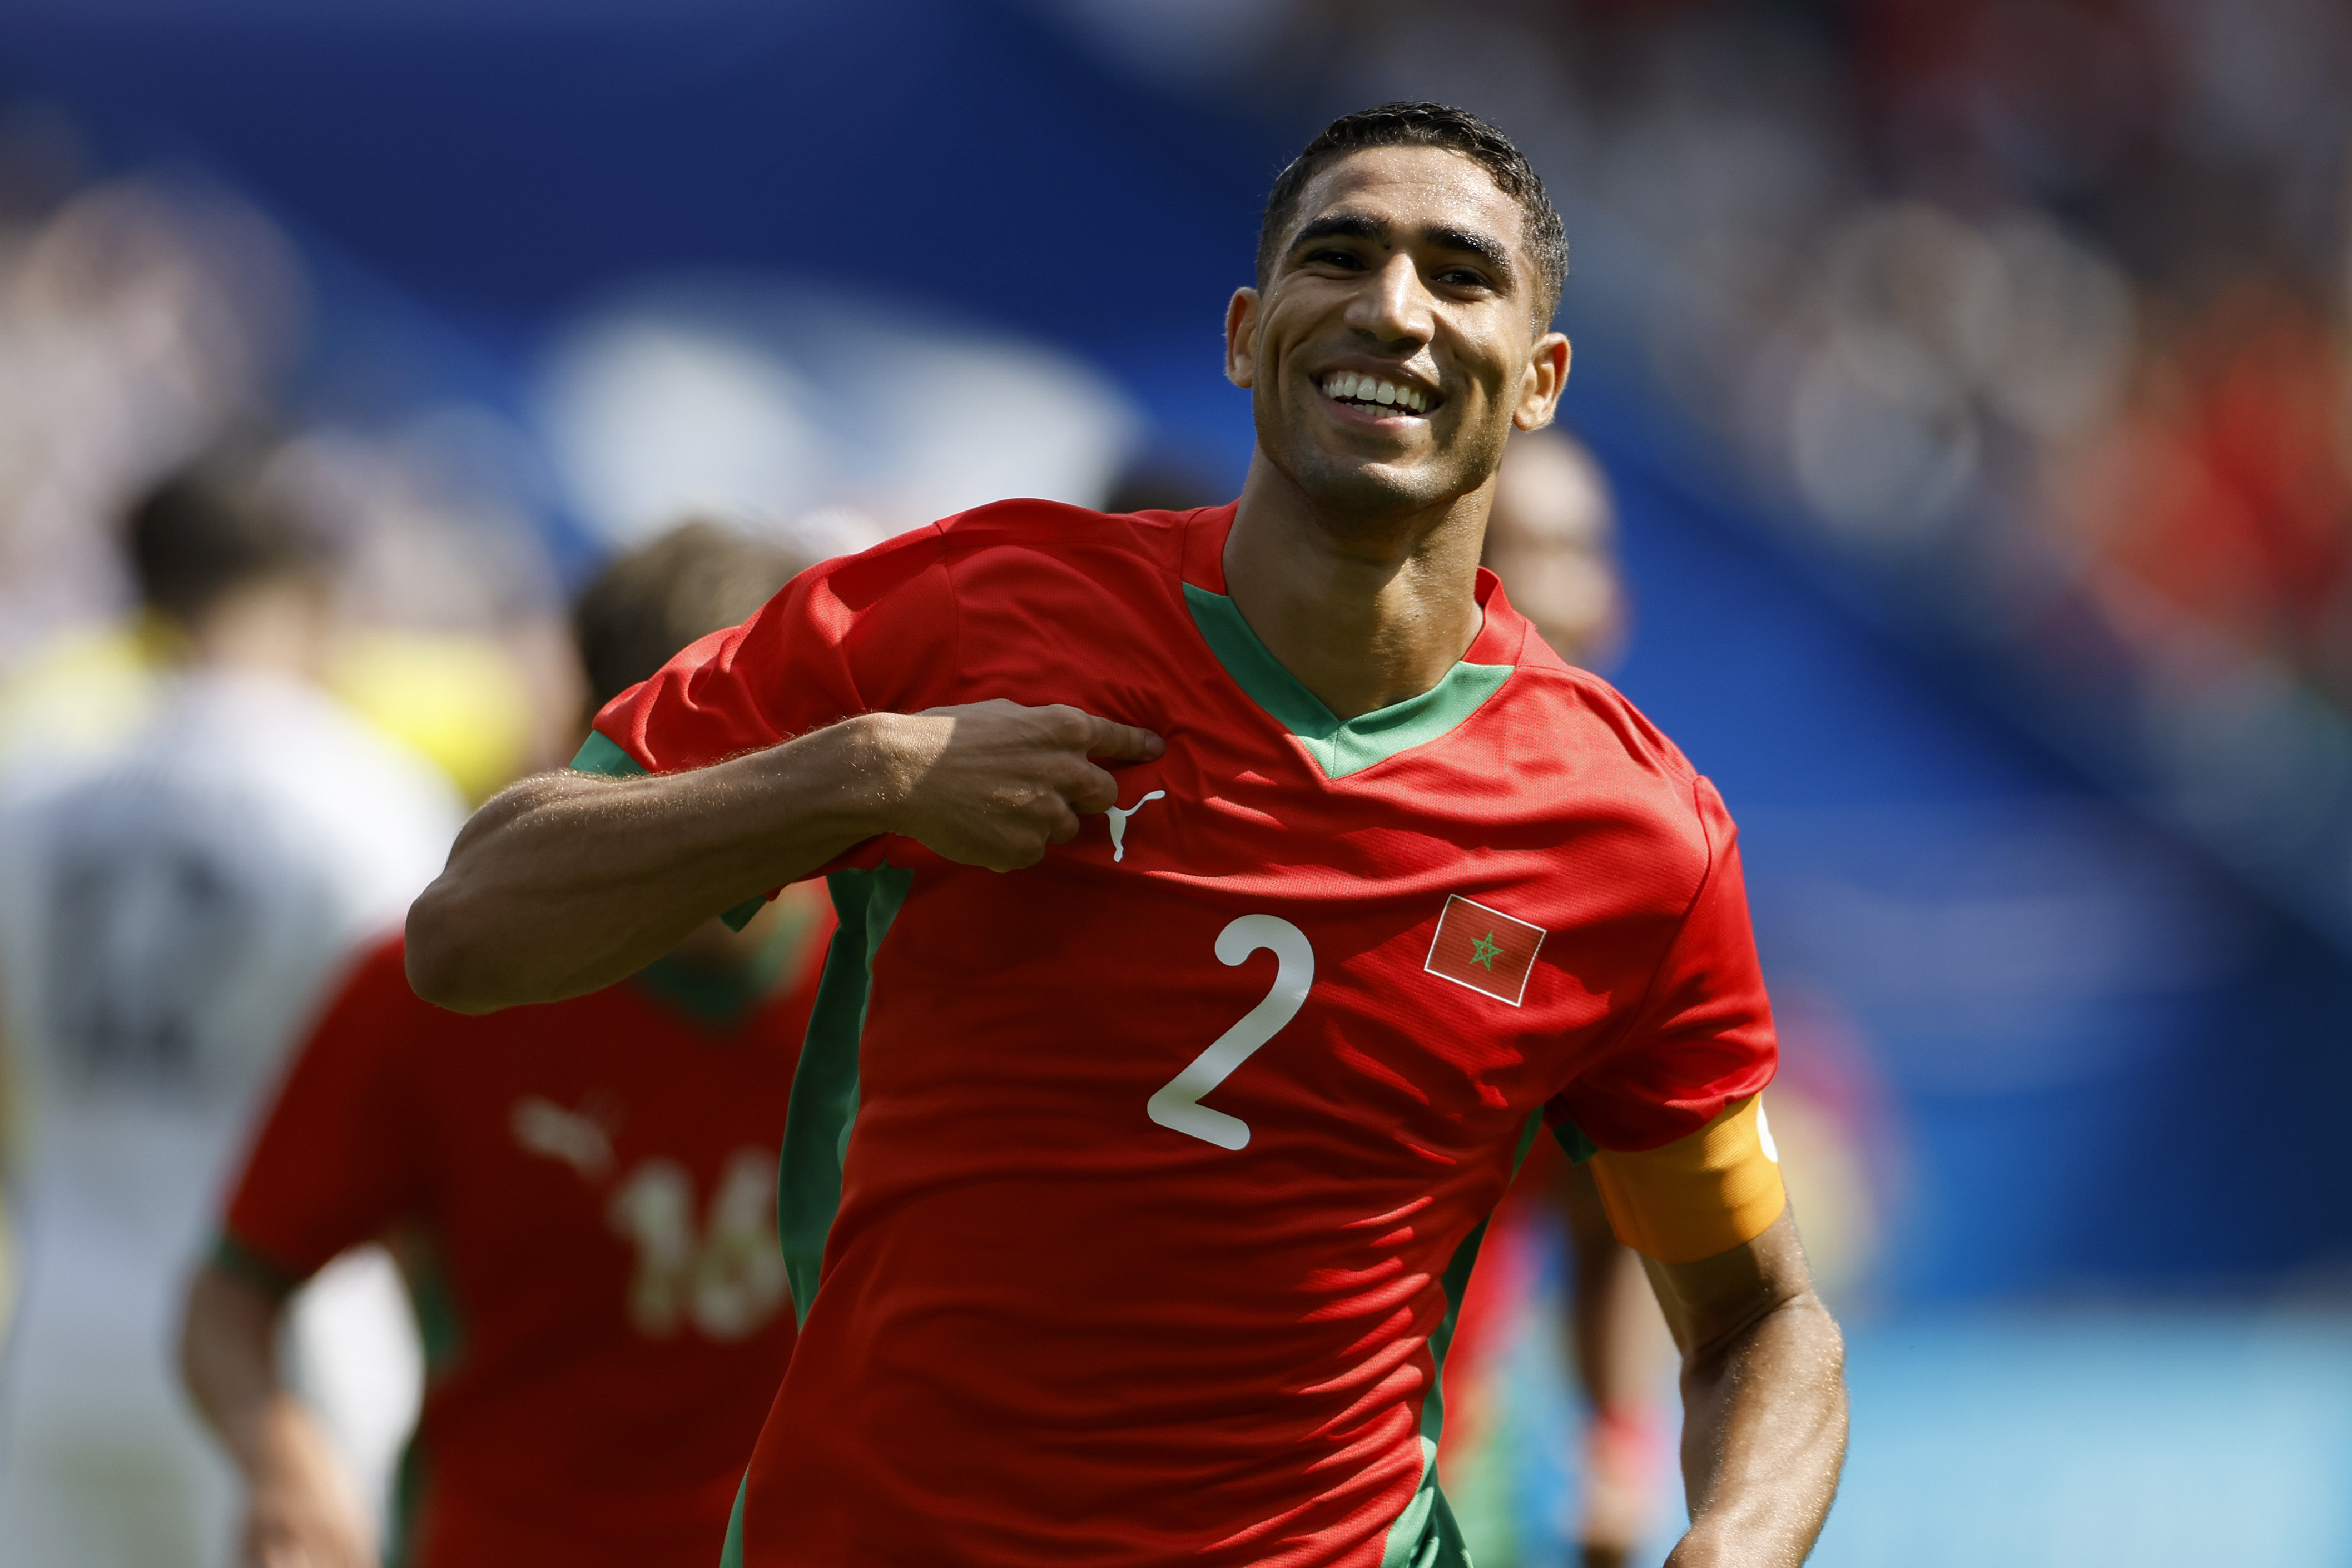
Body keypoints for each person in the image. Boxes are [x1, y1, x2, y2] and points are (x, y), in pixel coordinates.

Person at [408, 102, 1849, 1567]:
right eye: (1338, 255)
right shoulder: (969, 614)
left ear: (1539, 379)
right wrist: (872, 775)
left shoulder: (1633, 839)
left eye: (1459, 274)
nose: (1393, 307)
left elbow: (1757, 1316)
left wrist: (1730, 1540)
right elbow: (469, 929)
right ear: (1243, 335)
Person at [180, 521, 833, 1568]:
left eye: (763, 761)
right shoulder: (437, 989)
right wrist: (286, 1470)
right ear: (591, 748)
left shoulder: (905, 974)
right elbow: (230, 1297)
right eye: (681, 767)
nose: (723, 816)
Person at [0, 455, 463, 1568]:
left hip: (65, 1325)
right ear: (309, 590)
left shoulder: (35, 783)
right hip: (285, 1349)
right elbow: (428, 1067)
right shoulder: (363, 791)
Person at [1451, 426, 1669, 1568]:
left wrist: (1617, 1440)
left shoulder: (1634, 887)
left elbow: (1609, 1207)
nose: (1532, 586)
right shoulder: (1319, 805)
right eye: (1499, 547)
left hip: (1439, 1473)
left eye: (1568, 550)